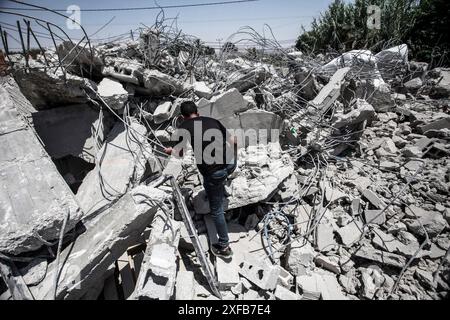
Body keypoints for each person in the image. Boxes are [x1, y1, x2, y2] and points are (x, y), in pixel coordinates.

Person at [164, 101, 237, 259]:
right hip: (231, 164)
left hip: (214, 173)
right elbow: (234, 141)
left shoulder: (184, 127)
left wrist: (170, 150)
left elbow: (179, 153)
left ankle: (224, 246)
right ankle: (223, 180)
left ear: (182, 116)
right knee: (220, 176)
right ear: (197, 112)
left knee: (216, 210)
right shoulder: (212, 121)